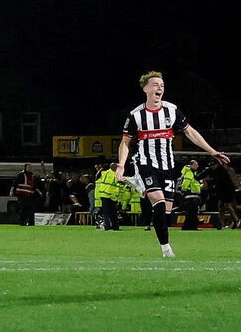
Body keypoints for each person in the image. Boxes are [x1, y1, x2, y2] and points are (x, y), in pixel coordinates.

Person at [115, 71, 230, 258]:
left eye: (161, 84)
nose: (159, 87)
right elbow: (125, 142)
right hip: (146, 163)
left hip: (167, 166)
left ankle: (162, 236)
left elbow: (190, 132)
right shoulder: (136, 115)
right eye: (155, 84)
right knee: (159, 202)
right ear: (145, 89)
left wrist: (212, 151)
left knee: (166, 213)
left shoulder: (172, 110)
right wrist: (121, 165)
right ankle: (166, 249)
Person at [95, 161, 122, 230]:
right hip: (112, 196)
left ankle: (107, 226)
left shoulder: (104, 173)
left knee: (105, 213)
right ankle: (115, 227)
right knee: (113, 213)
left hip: (104, 195)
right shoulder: (117, 175)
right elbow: (119, 185)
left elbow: (98, 176)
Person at [178, 159, 203, 230]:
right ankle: (191, 226)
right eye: (196, 164)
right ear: (191, 165)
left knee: (191, 212)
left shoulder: (191, 172)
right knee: (192, 212)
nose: (197, 166)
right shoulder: (189, 173)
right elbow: (186, 184)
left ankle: (188, 226)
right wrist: (186, 189)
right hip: (191, 195)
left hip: (192, 195)